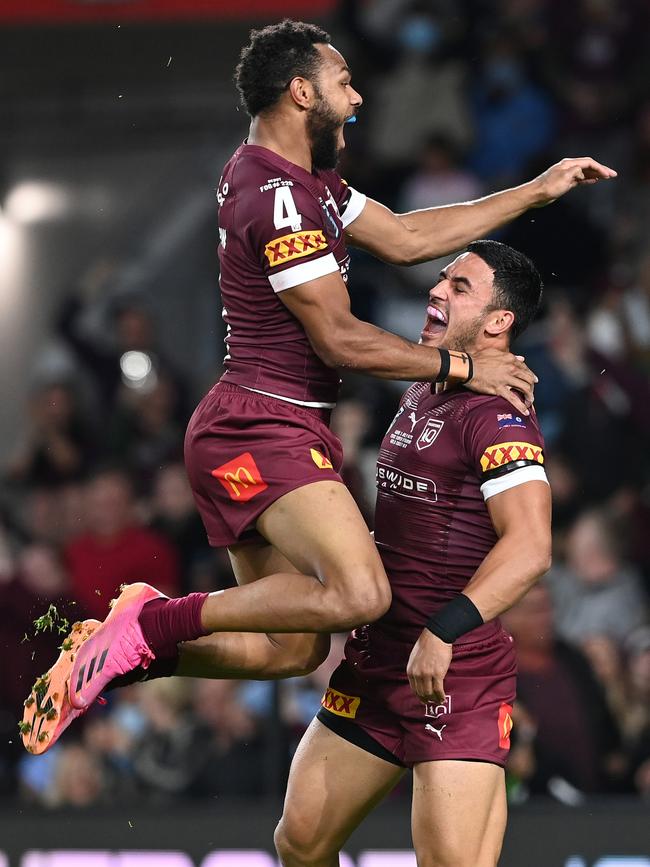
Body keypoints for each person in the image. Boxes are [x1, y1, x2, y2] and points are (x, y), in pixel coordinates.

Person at [21, 20, 613, 754]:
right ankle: (146, 623)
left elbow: (403, 236)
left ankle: (119, 657)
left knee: (290, 649)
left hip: (272, 425)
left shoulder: (310, 182)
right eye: (343, 83)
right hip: (259, 427)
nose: (358, 97)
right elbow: (339, 338)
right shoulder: (276, 197)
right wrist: (466, 367)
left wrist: (536, 190)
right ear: (303, 92)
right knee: (362, 594)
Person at [274, 239, 553, 867]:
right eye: (441, 280)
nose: (436, 292)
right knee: (300, 842)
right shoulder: (428, 384)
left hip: (452, 675)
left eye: (460, 288)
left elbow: (532, 546)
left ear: (499, 322)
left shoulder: (499, 416)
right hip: (377, 663)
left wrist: (444, 630)